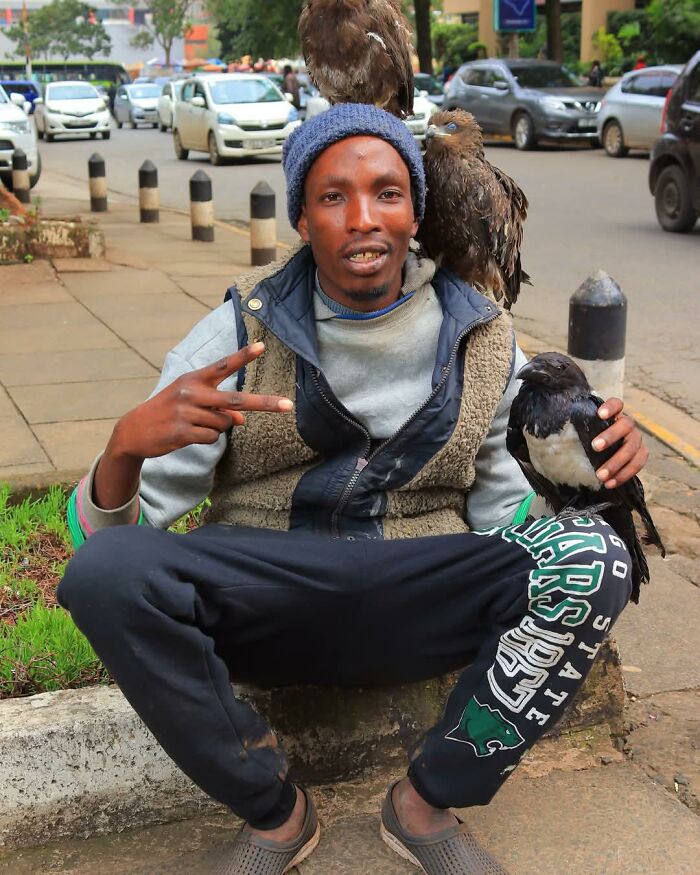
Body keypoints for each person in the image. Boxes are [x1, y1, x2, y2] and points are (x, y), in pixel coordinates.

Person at [58, 104, 647, 875]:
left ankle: (425, 803)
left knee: (594, 556)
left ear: (416, 210)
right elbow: (105, 544)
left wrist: (595, 474)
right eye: (333, 196)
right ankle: (276, 815)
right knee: (102, 576)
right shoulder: (240, 330)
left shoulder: (485, 337)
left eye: (388, 192)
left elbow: (511, 521)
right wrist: (123, 449)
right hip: (272, 593)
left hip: (420, 591)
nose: (363, 218)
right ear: (301, 216)